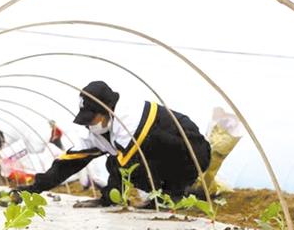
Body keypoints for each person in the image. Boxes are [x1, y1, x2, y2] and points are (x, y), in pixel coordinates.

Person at [13, 80, 211, 207]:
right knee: (117, 161)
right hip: (158, 157)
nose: (90, 125)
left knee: (119, 162)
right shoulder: (100, 130)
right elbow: (69, 162)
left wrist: (108, 199)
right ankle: (170, 195)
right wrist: (33, 190)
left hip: (191, 152)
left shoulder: (130, 118)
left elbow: (126, 165)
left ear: (108, 109)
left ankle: (174, 194)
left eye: (92, 119)